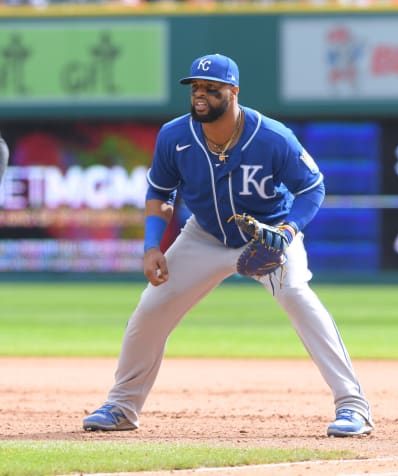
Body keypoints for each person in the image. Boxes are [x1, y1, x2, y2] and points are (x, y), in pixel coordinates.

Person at [83, 53, 374, 437]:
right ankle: (122, 406)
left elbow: (312, 187)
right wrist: (153, 244)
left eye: (211, 88)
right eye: (196, 88)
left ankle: (353, 406)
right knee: (151, 309)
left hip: (267, 234)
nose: (200, 95)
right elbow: (159, 190)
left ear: (233, 91)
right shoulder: (175, 135)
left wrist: (287, 231)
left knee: (298, 298)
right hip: (203, 235)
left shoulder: (271, 137)